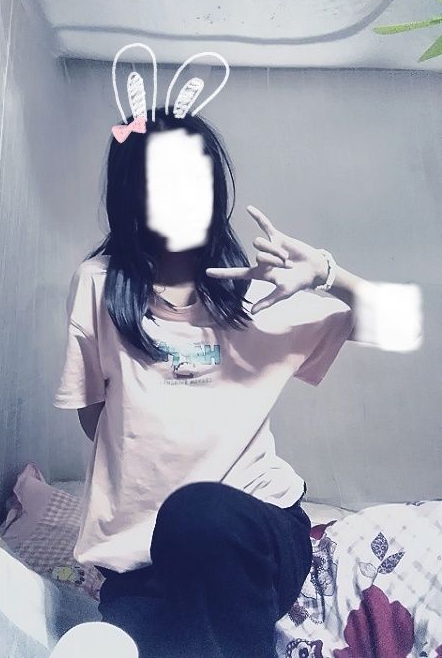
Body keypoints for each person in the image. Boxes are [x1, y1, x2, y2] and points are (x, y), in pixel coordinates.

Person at [53, 53, 367, 658]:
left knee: (199, 515)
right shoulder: (98, 285)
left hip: (253, 534)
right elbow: (95, 419)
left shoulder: (256, 292)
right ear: (132, 191)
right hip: (141, 561)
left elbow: (402, 324)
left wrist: (329, 273)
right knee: (107, 643)